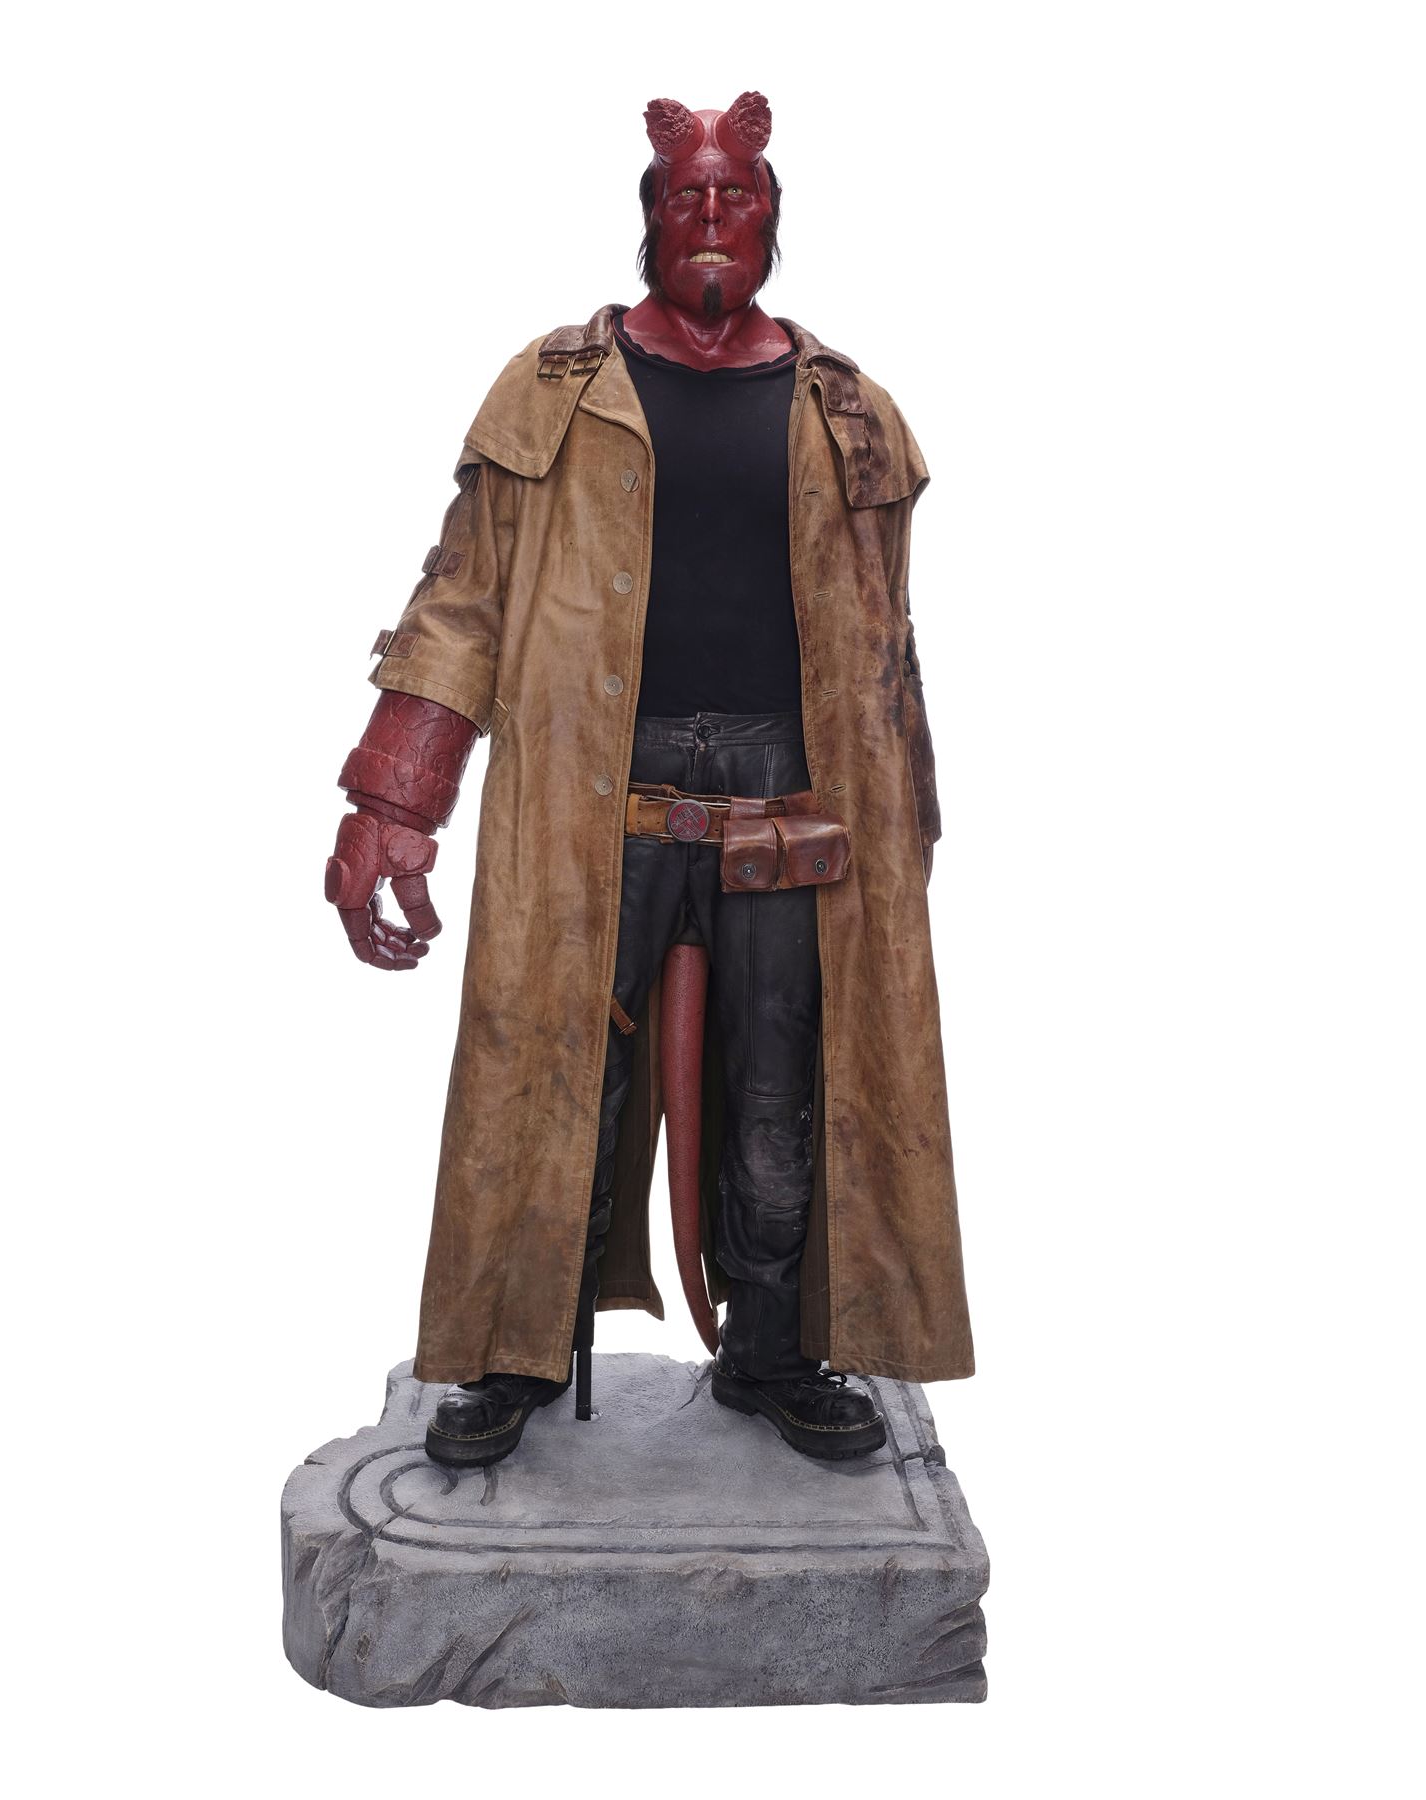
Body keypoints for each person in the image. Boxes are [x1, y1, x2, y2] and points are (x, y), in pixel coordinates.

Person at [326, 93, 973, 1470]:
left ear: (775, 217)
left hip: (794, 806)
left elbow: (888, 645)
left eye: (741, 195)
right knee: (554, 1073)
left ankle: (776, 1353)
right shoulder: (557, 387)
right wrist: (390, 805)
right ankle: (515, 1355)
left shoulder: (849, 411)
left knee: (783, 1093)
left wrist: (908, 822)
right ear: (650, 215)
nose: (715, 216)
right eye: (689, 195)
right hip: (588, 798)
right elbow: (463, 602)